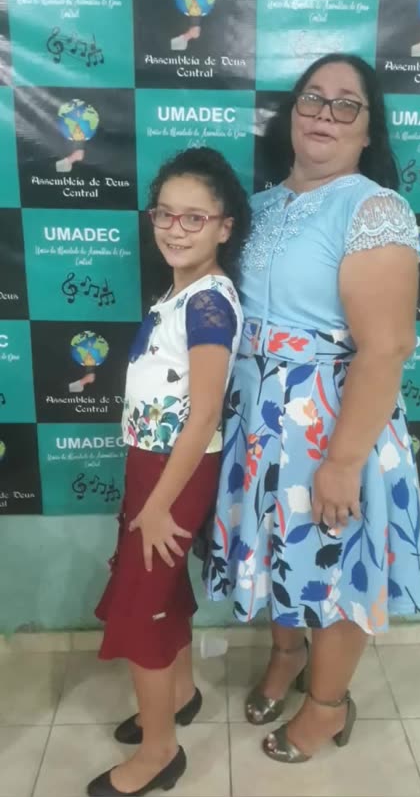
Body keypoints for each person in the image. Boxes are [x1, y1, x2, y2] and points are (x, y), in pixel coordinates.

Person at [206, 54, 420, 763]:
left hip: (332, 424)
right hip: (257, 420)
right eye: (313, 98)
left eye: (346, 104)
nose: (325, 115)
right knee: (279, 548)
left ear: (368, 128)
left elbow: (387, 347)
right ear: (292, 112)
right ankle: (286, 654)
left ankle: (328, 708)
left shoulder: (373, 209)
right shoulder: (261, 206)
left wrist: (342, 461)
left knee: (335, 563)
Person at [87, 147, 250, 796]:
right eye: (165, 214)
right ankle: (179, 694)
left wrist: (157, 505)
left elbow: (205, 411)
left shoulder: (209, 305)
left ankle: (160, 753)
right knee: (161, 588)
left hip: (172, 476)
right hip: (151, 465)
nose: (176, 229)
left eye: (195, 218)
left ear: (224, 227)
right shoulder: (182, 291)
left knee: (140, 605)